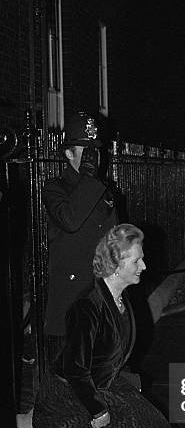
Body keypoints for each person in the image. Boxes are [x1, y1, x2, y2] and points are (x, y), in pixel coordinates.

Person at [1, 224, 177, 428]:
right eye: (136, 260)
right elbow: (75, 370)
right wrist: (97, 411)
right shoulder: (88, 308)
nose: (144, 266)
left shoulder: (122, 300)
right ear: (116, 263)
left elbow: (110, 355)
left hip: (104, 385)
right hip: (73, 395)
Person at [43, 111, 117, 348]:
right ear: (68, 153)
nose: (93, 158)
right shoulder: (55, 188)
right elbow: (70, 220)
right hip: (74, 294)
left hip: (102, 289)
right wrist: (87, 178)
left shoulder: (104, 189)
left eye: (95, 150)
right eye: (86, 151)